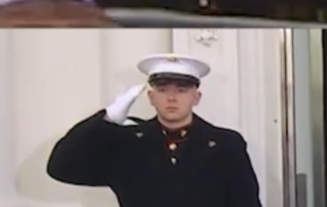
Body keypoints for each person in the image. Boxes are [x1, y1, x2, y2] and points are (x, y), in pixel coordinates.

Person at [48, 54, 261, 207]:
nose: (171, 98)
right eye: (162, 90)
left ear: (196, 97)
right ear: (151, 97)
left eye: (181, 90)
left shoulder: (225, 144)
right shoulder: (127, 144)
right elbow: (61, 167)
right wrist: (107, 118)